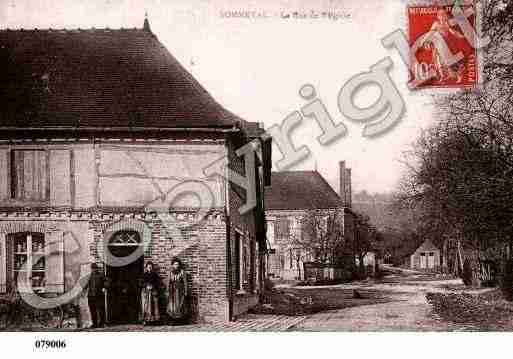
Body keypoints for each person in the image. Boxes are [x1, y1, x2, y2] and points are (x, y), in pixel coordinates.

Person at [167, 258, 188, 324]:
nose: (176, 266)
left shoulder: (182, 272)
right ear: (172, 265)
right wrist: (167, 291)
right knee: (172, 305)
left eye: (177, 264)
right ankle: (173, 320)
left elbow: (185, 282)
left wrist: (186, 291)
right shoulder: (170, 272)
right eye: (175, 264)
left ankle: (180, 321)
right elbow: (168, 282)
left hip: (180, 291)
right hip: (172, 291)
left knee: (180, 305)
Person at [86, 263, 106, 328]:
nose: (93, 270)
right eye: (92, 268)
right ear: (91, 269)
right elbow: (85, 285)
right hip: (91, 295)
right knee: (92, 310)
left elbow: (107, 282)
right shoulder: (89, 276)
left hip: (99, 295)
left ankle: (101, 323)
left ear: (97, 269)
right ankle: (94, 324)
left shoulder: (101, 275)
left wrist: (104, 287)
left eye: (95, 268)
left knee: (100, 310)